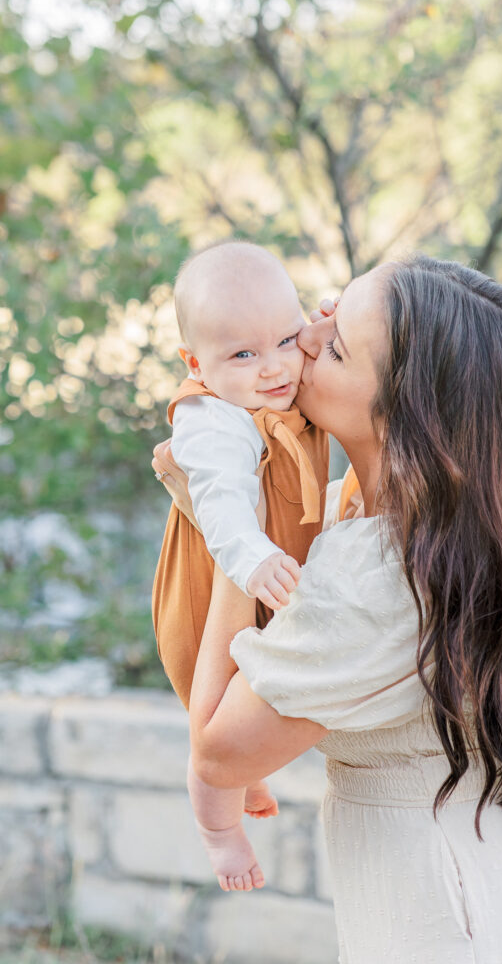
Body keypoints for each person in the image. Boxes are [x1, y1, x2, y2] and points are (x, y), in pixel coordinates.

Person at [189, 255, 502, 961]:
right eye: (330, 307)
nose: (306, 335)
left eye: (336, 345)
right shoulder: (468, 533)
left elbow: (219, 750)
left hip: (472, 932)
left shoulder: (378, 580)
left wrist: (231, 537)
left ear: (405, 420)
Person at [152, 241, 328, 892]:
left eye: (286, 337)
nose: (274, 367)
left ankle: (248, 772)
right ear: (196, 363)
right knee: (211, 722)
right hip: (217, 573)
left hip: (273, 566)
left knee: (247, 698)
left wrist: (328, 324)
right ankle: (219, 832)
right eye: (242, 355)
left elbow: (326, 344)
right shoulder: (211, 419)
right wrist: (252, 560)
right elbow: (221, 505)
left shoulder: (285, 374)